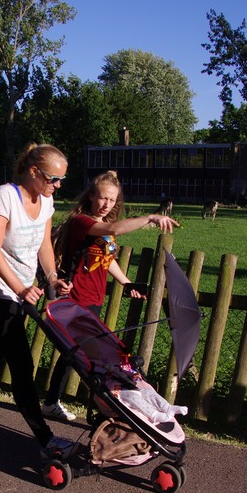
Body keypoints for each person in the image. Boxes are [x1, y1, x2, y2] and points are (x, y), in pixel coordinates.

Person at [0, 142, 75, 458]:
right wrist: (20, 288)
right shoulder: (5, 196)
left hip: (20, 293)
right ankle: (46, 440)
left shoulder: (46, 201)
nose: (58, 185)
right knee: (22, 363)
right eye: (53, 179)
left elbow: (44, 243)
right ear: (33, 172)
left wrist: (52, 278)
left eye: (62, 180)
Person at [43, 170, 178, 418]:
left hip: (93, 299)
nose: (107, 204)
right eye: (103, 198)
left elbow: (107, 260)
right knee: (83, 354)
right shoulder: (83, 222)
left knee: (77, 354)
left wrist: (126, 283)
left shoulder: (104, 228)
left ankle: (59, 402)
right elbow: (114, 226)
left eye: (112, 200)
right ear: (91, 196)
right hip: (75, 299)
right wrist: (150, 217)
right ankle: (100, 406)